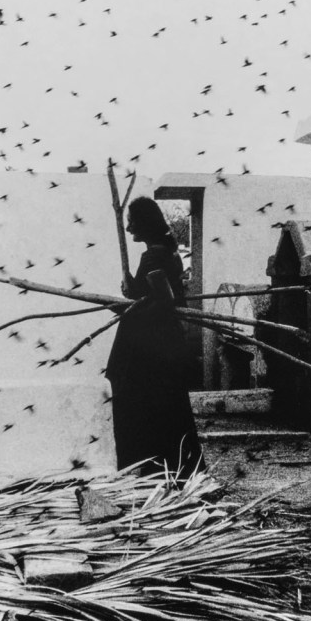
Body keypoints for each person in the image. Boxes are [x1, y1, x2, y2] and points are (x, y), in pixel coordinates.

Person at [105, 196, 204, 479]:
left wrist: (127, 309)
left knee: (136, 403)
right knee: (167, 404)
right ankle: (173, 468)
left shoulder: (153, 256)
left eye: (132, 222)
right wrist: (131, 290)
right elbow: (149, 296)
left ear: (145, 223)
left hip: (146, 348)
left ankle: (146, 469)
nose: (128, 228)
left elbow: (164, 302)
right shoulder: (167, 253)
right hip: (162, 344)